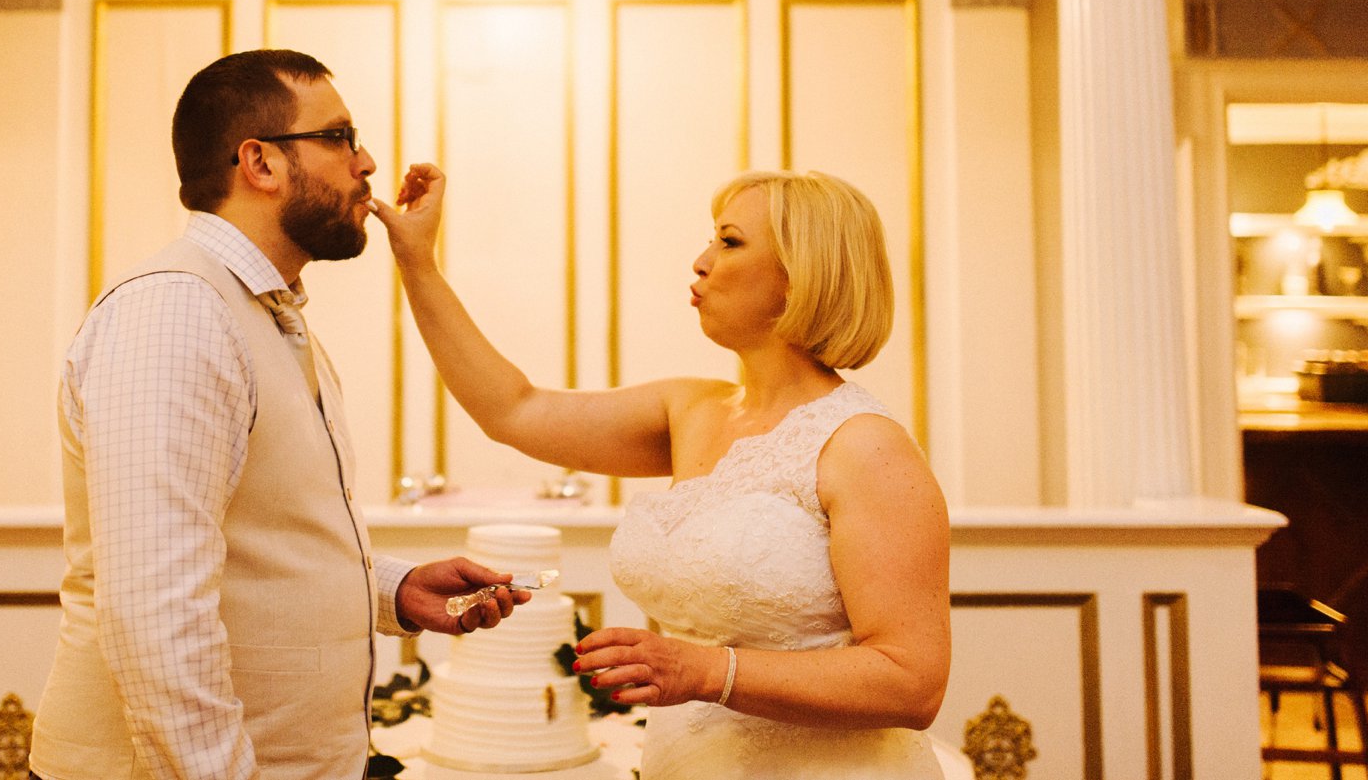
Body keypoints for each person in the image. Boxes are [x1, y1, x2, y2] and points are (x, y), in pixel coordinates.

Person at [30, 49, 527, 780]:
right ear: (259, 162)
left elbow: (256, 541)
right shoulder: (176, 311)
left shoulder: (265, 315)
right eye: (340, 136)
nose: (366, 162)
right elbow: (155, 616)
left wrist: (392, 587)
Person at [371, 165, 954, 779]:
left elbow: (910, 681)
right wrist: (417, 262)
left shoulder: (867, 446)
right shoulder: (690, 408)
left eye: (729, 242)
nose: (701, 261)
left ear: (801, 275)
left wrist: (704, 670)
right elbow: (512, 410)